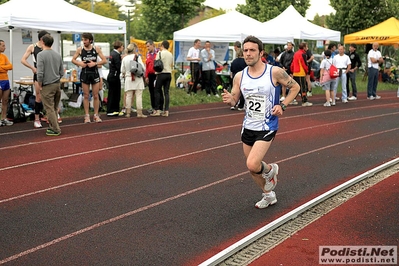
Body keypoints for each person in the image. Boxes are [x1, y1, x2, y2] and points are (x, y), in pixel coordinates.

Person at [222, 35, 300, 209]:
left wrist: (283, 105)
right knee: (252, 168)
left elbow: (295, 87)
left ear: (261, 52)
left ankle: (270, 169)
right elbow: (235, 99)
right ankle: (268, 195)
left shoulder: (274, 72)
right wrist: (230, 99)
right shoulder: (239, 77)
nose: (248, 54)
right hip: (248, 125)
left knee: (252, 163)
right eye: (246, 50)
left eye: (252, 50)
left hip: (267, 125)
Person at [72, 32, 107, 123]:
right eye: (83, 40)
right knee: (86, 95)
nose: (84, 42)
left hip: (94, 73)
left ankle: (96, 115)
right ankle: (87, 116)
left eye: (85, 40)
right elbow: (73, 59)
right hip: (85, 74)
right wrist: (80, 63)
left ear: (90, 40)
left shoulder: (96, 48)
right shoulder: (80, 49)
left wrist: (95, 63)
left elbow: (104, 60)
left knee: (96, 95)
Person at [21, 30, 50, 128]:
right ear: (42, 39)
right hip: (38, 74)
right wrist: (32, 68)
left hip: (48, 74)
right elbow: (23, 60)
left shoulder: (47, 47)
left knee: (49, 96)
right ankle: (37, 119)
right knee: (38, 96)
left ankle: (49, 116)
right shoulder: (33, 47)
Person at [36, 34, 64, 136]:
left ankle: (56, 129)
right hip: (57, 84)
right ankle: (52, 127)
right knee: (54, 107)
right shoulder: (57, 55)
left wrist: (40, 84)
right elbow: (61, 72)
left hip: (47, 85)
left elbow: (40, 73)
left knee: (49, 109)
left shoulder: (40, 55)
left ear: (42, 42)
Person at [121, 43, 147, 118]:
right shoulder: (137, 57)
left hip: (128, 78)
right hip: (137, 78)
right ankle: (139, 113)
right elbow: (142, 67)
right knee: (138, 95)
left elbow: (122, 70)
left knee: (128, 95)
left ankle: (128, 112)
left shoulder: (125, 58)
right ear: (134, 49)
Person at [150, 40, 173, 117]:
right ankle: (166, 110)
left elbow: (156, 63)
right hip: (169, 73)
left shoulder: (159, 53)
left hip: (161, 73)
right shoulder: (170, 54)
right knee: (166, 92)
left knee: (157, 90)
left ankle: (157, 110)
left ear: (162, 46)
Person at [291, 42, 312, 106]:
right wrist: (307, 71)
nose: (307, 48)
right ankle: (304, 101)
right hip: (301, 73)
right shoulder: (303, 54)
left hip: (295, 72)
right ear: (304, 47)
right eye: (306, 46)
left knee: (295, 87)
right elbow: (304, 64)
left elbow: (292, 64)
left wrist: (292, 71)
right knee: (303, 88)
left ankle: (292, 99)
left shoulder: (295, 53)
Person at [106, 40, 124, 117]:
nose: (123, 48)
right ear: (119, 47)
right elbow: (119, 67)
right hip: (114, 76)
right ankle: (113, 110)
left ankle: (112, 109)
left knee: (111, 93)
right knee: (116, 94)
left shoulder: (112, 53)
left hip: (111, 75)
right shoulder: (116, 55)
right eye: (122, 46)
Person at [0, 40, 13, 126]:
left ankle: (4, 118)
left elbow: (11, 66)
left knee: (5, 100)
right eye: (3, 46)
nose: (5, 47)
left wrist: (2, 67)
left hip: (6, 80)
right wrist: (5, 67)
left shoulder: (4, 56)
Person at [145, 40, 158, 113]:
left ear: (152, 45)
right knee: (151, 91)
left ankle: (158, 107)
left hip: (156, 74)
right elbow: (146, 66)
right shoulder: (148, 54)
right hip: (150, 75)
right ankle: (153, 107)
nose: (147, 48)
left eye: (148, 46)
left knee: (157, 90)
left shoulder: (158, 53)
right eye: (146, 46)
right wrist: (146, 76)